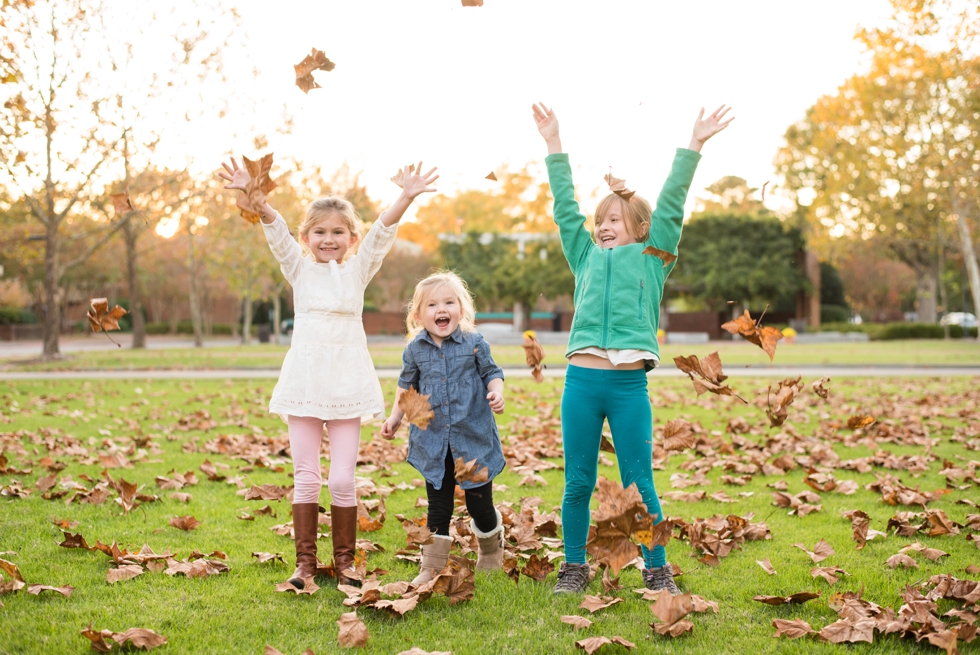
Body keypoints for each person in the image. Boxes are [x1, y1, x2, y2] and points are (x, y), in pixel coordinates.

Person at [531, 102, 733, 595]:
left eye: (614, 219)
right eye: (600, 219)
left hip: (627, 387)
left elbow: (671, 203)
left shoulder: (652, 257)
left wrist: (695, 143)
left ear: (640, 230)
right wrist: (554, 143)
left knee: (639, 484)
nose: (603, 226)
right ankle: (574, 567)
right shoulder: (583, 256)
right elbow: (564, 207)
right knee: (577, 481)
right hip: (581, 383)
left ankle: (656, 566)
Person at [218, 158, 438, 589]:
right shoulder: (299, 268)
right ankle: (304, 565)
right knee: (306, 476)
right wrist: (255, 197)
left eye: (338, 232)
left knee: (340, 477)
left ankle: (345, 564)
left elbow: (381, 234)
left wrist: (406, 195)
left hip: (346, 384)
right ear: (306, 237)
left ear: (350, 238)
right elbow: (276, 231)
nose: (328, 239)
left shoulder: (358, 269)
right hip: (304, 382)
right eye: (319, 231)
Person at [381, 272, 506, 583]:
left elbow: (493, 372)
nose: (441, 309)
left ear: (460, 310)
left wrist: (496, 391)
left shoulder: (475, 343)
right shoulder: (415, 349)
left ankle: (491, 548)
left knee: (480, 505)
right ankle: (432, 566)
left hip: (472, 441)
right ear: (418, 315)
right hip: (433, 442)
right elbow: (407, 387)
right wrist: (395, 417)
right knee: (439, 507)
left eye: (449, 302)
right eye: (433, 304)